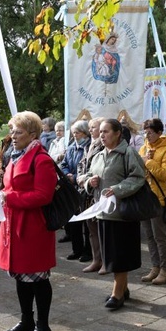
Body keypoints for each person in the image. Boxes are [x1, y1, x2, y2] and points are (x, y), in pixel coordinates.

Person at [0, 111, 58, 331]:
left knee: (38, 278)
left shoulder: (41, 159)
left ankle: (43, 327)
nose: (12, 135)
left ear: (32, 134)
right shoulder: (17, 156)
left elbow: (44, 195)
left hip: (33, 229)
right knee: (20, 276)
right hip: (15, 226)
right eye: (12, 131)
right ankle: (26, 321)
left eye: (18, 131)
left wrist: (9, 198)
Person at [82, 119, 146, 311]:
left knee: (119, 255)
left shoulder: (128, 153)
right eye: (100, 132)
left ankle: (117, 294)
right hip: (103, 213)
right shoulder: (99, 155)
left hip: (122, 214)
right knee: (111, 254)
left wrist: (117, 189)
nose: (102, 135)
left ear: (118, 133)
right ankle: (123, 288)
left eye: (106, 131)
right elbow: (88, 175)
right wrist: (89, 182)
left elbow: (138, 178)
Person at [138, 118, 166, 285]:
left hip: (157, 199)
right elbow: (137, 169)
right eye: (145, 131)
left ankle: (165, 270)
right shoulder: (144, 148)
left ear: (159, 133)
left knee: (160, 237)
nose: (147, 135)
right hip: (144, 198)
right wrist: (144, 160)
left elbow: (165, 175)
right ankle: (154, 267)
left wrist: (149, 161)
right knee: (149, 236)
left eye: (150, 132)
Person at [76, 117, 106, 273]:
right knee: (91, 230)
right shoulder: (89, 144)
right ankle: (96, 260)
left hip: (100, 192)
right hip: (88, 192)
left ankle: (106, 262)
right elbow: (82, 164)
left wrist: (87, 178)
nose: (91, 130)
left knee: (102, 230)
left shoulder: (103, 146)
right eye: (91, 127)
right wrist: (81, 177)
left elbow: (99, 169)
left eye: (94, 127)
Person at [59, 120, 90, 261]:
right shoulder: (72, 147)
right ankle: (76, 249)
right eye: (73, 133)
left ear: (85, 133)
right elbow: (64, 164)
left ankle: (88, 252)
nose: (75, 135)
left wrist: (76, 177)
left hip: (85, 188)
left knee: (87, 223)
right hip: (72, 189)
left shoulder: (90, 148)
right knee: (74, 221)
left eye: (77, 133)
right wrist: (67, 175)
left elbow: (91, 168)